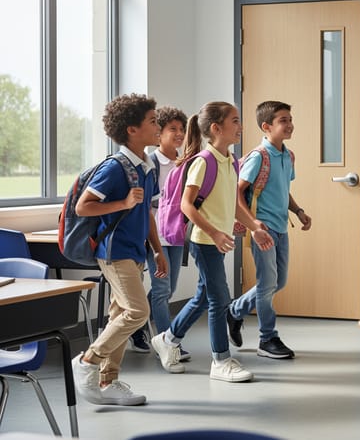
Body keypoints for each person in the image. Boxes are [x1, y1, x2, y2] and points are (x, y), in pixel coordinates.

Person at [150, 101, 274, 382]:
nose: (240, 126)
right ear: (216, 128)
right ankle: (220, 360)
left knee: (204, 296)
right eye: (235, 121)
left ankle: (168, 339)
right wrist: (216, 232)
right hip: (204, 240)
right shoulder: (203, 162)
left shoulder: (230, 160)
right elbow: (187, 205)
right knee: (220, 298)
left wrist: (254, 225)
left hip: (217, 240)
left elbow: (233, 203)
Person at [71, 93, 167, 406]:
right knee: (138, 311)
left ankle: (108, 381)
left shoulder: (148, 165)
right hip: (114, 253)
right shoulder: (116, 167)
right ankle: (88, 360)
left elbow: (147, 213)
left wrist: (157, 249)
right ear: (132, 130)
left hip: (135, 251)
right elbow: (84, 207)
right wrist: (123, 203)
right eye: (153, 121)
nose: (158, 126)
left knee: (120, 313)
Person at [226, 101, 312, 359]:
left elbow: (283, 190)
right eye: (283, 120)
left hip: (281, 227)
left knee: (279, 281)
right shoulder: (258, 157)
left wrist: (298, 211)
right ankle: (267, 338)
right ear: (266, 126)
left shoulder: (287, 155)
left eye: (290, 119)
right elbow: (237, 192)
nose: (289, 124)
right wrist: (253, 225)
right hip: (262, 228)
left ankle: (234, 310)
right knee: (267, 284)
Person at [134, 106, 190, 361]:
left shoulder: (186, 163)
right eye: (172, 129)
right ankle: (168, 342)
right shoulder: (150, 163)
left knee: (169, 288)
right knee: (160, 289)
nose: (179, 134)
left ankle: (137, 326)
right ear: (159, 134)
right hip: (154, 233)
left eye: (182, 129)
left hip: (177, 233)